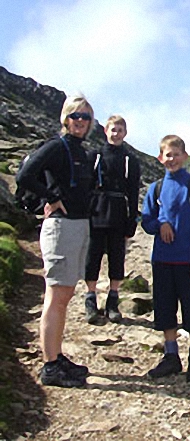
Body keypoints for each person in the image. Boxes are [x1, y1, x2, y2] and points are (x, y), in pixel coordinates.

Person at [16, 95, 95, 388]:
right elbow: (25, 175)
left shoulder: (78, 150)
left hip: (76, 226)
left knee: (63, 296)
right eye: (76, 116)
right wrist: (51, 198)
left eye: (86, 117)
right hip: (61, 228)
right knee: (56, 296)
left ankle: (56, 356)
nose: (81, 121)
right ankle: (50, 366)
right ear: (65, 118)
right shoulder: (55, 146)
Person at [141, 135, 190, 382]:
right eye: (167, 155)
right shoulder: (156, 188)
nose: (172, 159)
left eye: (176, 154)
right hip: (162, 260)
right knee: (165, 309)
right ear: (160, 158)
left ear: (185, 156)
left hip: (187, 262)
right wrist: (161, 224)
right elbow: (146, 220)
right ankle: (171, 357)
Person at [84, 115, 141, 324]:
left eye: (120, 130)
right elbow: (86, 186)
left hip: (118, 212)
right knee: (93, 256)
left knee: (117, 257)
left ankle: (112, 300)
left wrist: (132, 219)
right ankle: (90, 299)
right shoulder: (95, 156)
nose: (116, 134)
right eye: (113, 130)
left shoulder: (130, 161)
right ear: (105, 131)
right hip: (96, 211)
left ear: (125, 133)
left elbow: (133, 191)